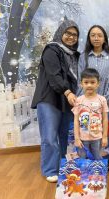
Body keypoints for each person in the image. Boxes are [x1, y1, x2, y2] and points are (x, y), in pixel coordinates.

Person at [31, 20, 80, 182]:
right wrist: (67, 92)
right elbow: (54, 75)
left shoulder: (74, 55)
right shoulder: (52, 49)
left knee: (63, 135)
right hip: (49, 98)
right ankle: (50, 170)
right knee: (49, 136)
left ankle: (61, 165)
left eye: (75, 35)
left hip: (66, 100)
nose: (71, 37)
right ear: (60, 33)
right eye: (68, 33)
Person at [72, 68, 108, 160]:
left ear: (98, 84)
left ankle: (98, 174)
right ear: (81, 84)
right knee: (82, 159)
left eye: (92, 82)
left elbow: (105, 119)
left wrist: (104, 137)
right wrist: (76, 138)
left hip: (97, 137)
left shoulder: (102, 100)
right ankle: (84, 174)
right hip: (82, 138)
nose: (89, 85)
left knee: (98, 158)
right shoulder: (78, 100)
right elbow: (76, 120)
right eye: (86, 82)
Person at [77, 25, 109, 107]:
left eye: (99, 35)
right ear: (89, 38)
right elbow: (79, 81)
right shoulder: (83, 57)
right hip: (85, 104)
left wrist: (103, 101)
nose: (96, 38)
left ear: (104, 39)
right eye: (93, 35)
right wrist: (82, 101)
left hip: (104, 105)